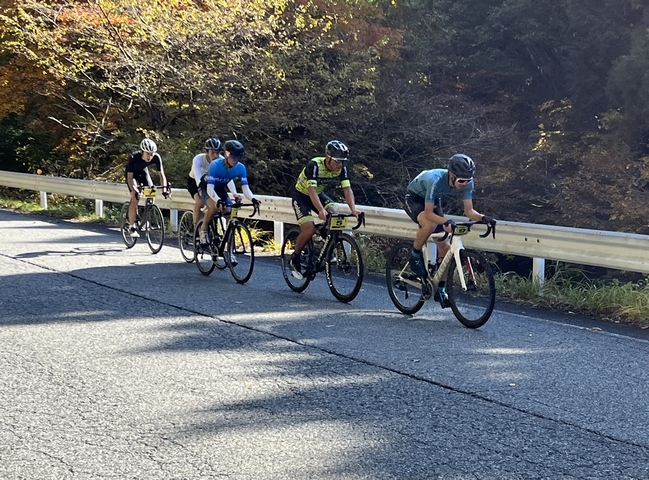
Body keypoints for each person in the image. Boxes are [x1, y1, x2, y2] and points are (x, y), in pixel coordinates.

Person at [404, 153, 496, 278]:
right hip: (414, 198)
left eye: (468, 181)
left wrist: (483, 218)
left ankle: (440, 286)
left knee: (445, 247)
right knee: (430, 224)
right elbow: (429, 213)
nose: (465, 184)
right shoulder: (435, 179)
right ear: (452, 176)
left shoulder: (468, 182)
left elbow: (469, 211)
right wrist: (446, 221)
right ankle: (415, 255)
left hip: (434, 199)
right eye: (461, 181)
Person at [288, 140, 361, 279]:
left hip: (318, 194)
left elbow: (347, 189)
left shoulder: (341, 169)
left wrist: (354, 209)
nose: (340, 164)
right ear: (328, 157)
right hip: (302, 196)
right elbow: (311, 190)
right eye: (337, 161)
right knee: (308, 228)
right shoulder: (314, 165)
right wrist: (320, 209)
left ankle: (324, 245)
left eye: (343, 161)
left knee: (335, 214)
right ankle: (295, 257)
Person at [199, 139, 260, 245]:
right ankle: (203, 230)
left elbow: (245, 189)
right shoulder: (215, 165)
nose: (235, 160)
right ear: (227, 154)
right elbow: (210, 189)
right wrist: (217, 200)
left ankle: (228, 245)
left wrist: (253, 199)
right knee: (214, 207)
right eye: (233, 157)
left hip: (220, 189)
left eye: (238, 157)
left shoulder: (241, 168)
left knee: (229, 212)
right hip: (207, 188)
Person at [125, 138, 170, 238]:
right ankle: (131, 227)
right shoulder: (133, 157)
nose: (150, 156)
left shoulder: (156, 157)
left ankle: (145, 218)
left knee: (152, 192)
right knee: (135, 197)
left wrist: (165, 189)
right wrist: (134, 189)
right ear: (142, 151)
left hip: (143, 173)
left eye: (152, 154)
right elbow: (129, 178)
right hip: (132, 175)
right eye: (148, 154)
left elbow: (162, 175)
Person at [187, 138, 222, 227]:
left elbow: (228, 179)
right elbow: (198, 177)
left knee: (218, 205)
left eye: (217, 153)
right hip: (195, 182)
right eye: (212, 152)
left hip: (211, 183)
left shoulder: (221, 160)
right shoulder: (198, 159)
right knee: (200, 203)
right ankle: (196, 228)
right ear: (206, 152)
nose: (215, 155)